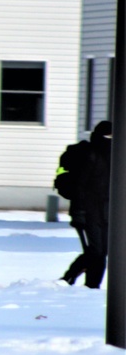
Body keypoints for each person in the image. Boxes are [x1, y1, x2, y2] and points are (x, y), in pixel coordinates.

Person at [61, 120, 112, 288]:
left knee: (101, 252)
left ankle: (91, 286)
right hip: (88, 212)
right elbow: (79, 186)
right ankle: (69, 278)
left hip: (105, 212)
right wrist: (79, 213)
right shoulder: (91, 155)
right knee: (96, 251)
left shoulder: (114, 156)